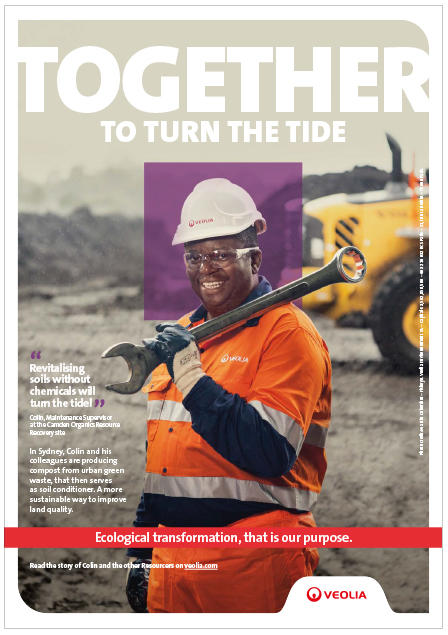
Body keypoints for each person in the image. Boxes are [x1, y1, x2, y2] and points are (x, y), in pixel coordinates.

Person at [126, 177, 332, 613]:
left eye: (221, 254)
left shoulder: (287, 334)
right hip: (174, 564)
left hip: (254, 563)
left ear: (254, 258)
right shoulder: (183, 333)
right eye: (194, 256)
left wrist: (193, 378)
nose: (206, 268)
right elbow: (162, 458)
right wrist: (142, 553)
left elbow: (268, 451)